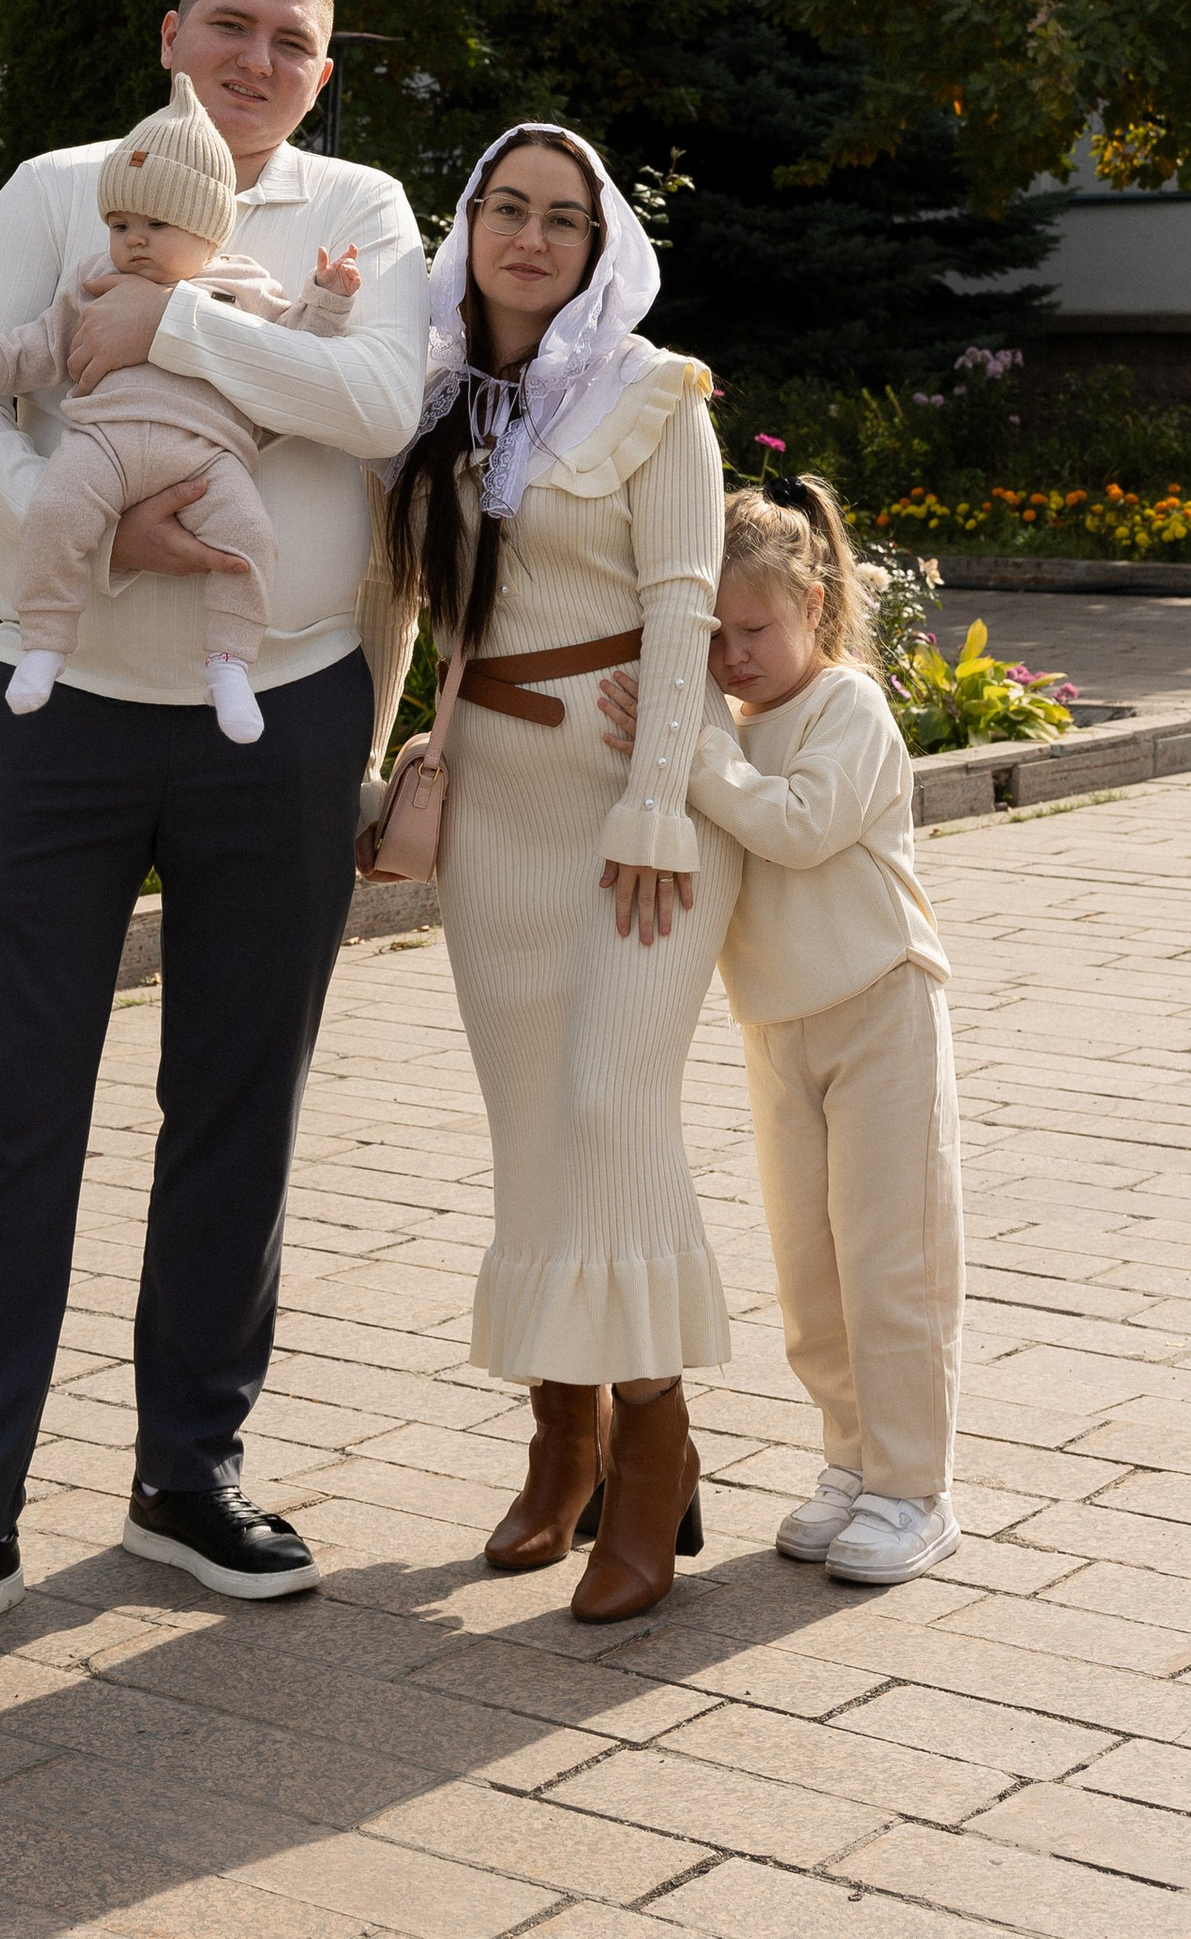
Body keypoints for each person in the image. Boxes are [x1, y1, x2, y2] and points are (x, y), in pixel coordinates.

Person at [0, 0, 429, 1670]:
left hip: (285, 716)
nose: (256, 58)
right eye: (228, 26)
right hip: (61, 720)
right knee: (11, 1114)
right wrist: (89, 531)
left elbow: (379, 404)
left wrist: (166, 322)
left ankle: (188, 1478)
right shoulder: (54, 189)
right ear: (171, 36)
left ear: (324, 74)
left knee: (238, 1111)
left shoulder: (361, 215)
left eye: (292, 41)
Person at [366, 124, 739, 1625]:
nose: (530, 237)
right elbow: (399, 602)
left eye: (562, 218)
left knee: (607, 1106)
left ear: (599, 247)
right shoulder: (432, 400)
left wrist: (655, 804)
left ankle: (656, 1449)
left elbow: (684, 601)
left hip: (635, 812)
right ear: (467, 229)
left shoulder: (657, 397)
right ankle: (561, 1437)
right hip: (499, 816)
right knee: (534, 1125)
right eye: (505, 210)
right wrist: (376, 774)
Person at [605, 475, 962, 1588]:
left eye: (752, 630)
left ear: (813, 603)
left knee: (890, 1261)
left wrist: (689, 754)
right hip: (776, 1025)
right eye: (711, 637)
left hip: (879, 1008)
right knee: (810, 1275)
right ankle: (853, 1463)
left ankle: (914, 1488)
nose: (732, 656)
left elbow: (799, 827)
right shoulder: (727, 723)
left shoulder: (847, 707)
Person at [0, 70, 361, 744]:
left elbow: (295, 346)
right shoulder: (93, 281)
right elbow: (41, 345)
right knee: (55, 511)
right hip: (102, 442)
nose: (134, 240)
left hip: (209, 456)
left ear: (208, 229)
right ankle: (45, 642)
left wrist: (328, 299)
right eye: (121, 224)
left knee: (251, 541)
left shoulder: (243, 287)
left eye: (157, 224)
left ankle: (229, 663)